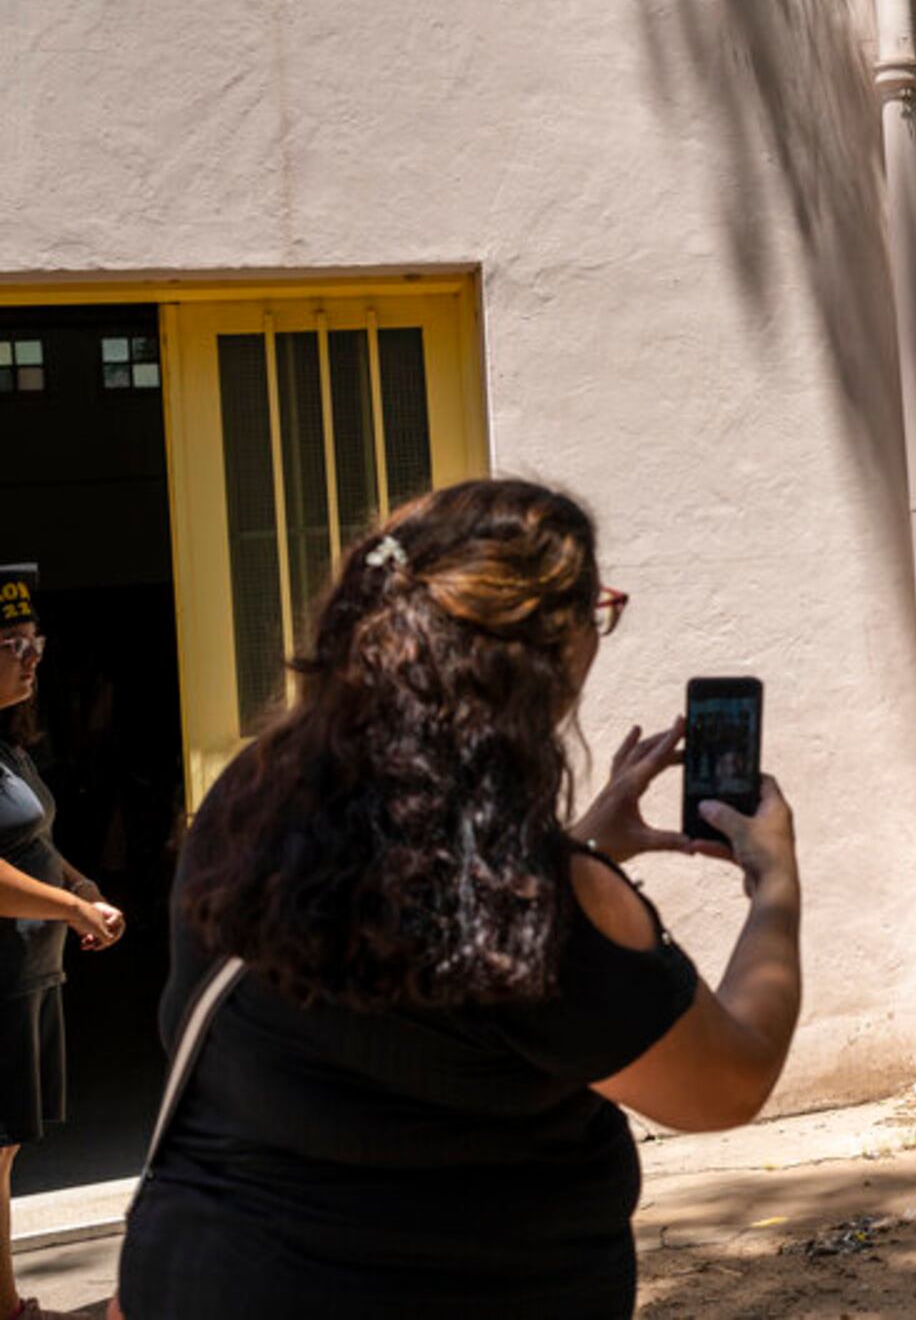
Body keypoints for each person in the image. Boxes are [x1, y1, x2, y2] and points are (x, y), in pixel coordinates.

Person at [115, 481, 803, 1319]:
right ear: (539, 654)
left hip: (209, 1276)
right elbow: (728, 1082)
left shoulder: (251, 799)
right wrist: (774, 887)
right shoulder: (531, 900)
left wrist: (582, 844)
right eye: (596, 609)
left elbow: (410, 932)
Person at [0, 564, 125, 1320]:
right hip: (2, 977)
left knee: (4, 1153)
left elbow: (33, 847)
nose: (32, 655)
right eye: (12, 642)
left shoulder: (8, 747)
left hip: (26, 974)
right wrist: (72, 911)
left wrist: (81, 890)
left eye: (33, 639)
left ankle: (5, 1303)